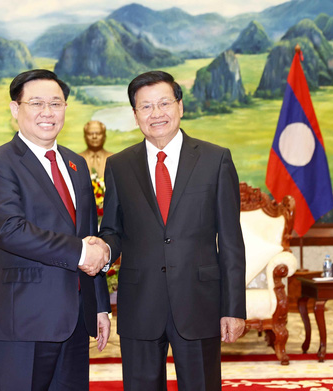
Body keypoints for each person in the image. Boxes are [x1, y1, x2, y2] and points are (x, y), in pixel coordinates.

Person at [98, 71, 246, 391]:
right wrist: (101, 250)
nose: (157, 114)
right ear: (135, 115)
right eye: (146, 107)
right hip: (140, 303)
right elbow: (112, 229)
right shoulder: (119, 165)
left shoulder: (215, 159)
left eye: (164, 103)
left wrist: (233, 308)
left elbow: (232, 240)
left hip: (199, 302)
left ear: (180, 106)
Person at [0, 69, 111, 391]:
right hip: (25, 317)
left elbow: (89, 234)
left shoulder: (76, 164)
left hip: (76, 318)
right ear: (15, 110)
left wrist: (100, 305)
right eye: (36, 103)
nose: (47, 113)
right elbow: (10, 230)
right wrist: (82, 253)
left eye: (56, 103)